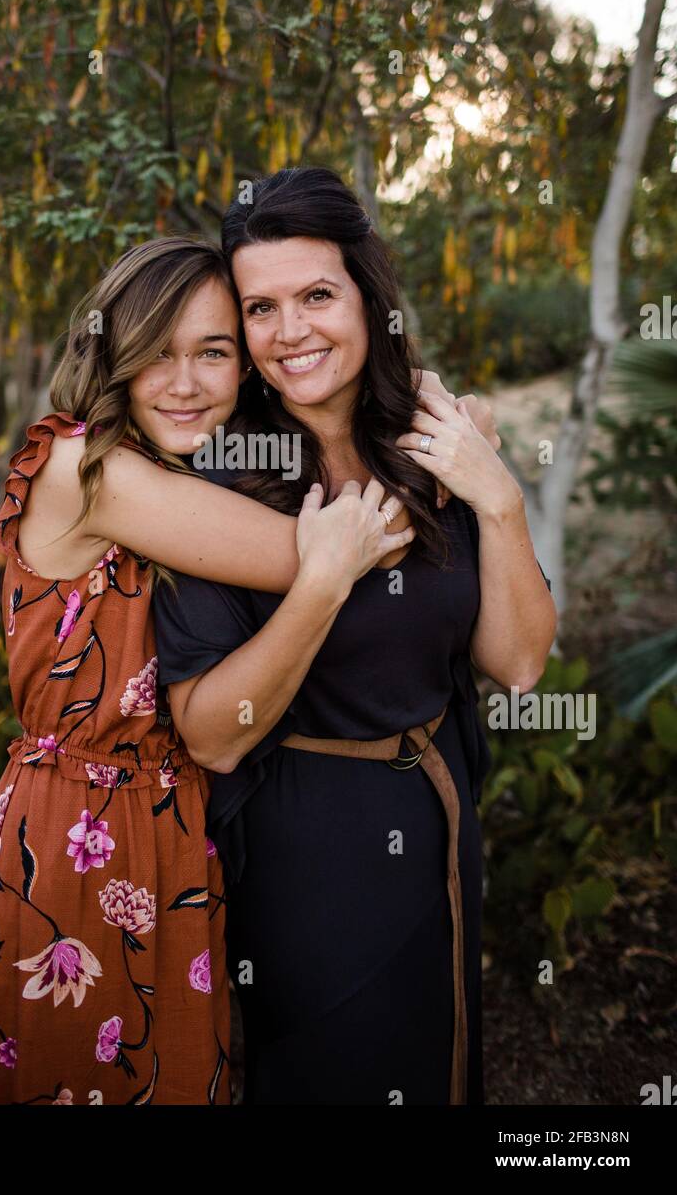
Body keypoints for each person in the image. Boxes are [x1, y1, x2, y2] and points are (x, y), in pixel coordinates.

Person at [0, 235, 461, 1104]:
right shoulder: (86, 466)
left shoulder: (196, 470)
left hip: (177, 829)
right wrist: (450, 450)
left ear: (245, 367)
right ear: (112, 354)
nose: (184, 383)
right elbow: (336, 547)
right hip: (73, 843)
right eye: (157, 353)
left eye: (213, 352)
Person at [153, 167, 557, 1105]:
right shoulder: (219, 484)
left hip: (441, 810)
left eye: (317, 296)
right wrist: (324, 582)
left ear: (369, 298)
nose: (290, 331)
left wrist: (498, 498)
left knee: (444, 1054)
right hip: (308, 851)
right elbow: (211, 734)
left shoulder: (432, 440)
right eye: (261, 308)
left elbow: (519, 661)